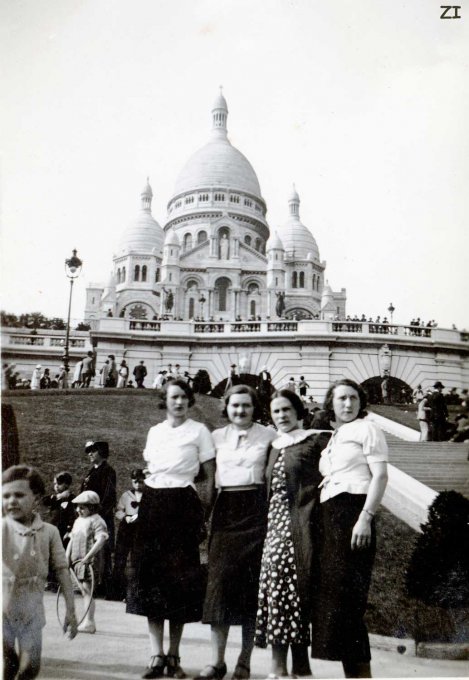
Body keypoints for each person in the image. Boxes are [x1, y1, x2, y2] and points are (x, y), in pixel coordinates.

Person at [128, 379, 216, 679]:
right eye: (172, 397)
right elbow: (152, 469)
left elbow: (209, 478)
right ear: (164, 401)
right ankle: (156, 655)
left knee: (178, 582)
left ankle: (174, 656)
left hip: (183, 504)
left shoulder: (200, 432)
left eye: (183, 397)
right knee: (152, 578)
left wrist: (201, 514)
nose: (178, 402)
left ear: (189, 401)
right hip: (153, 504)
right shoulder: (155, 432)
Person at [197, 385, 277, 680]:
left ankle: (244, 661)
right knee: (219, 587)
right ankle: (217, 661)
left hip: (256, 510)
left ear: (255, 408)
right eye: (235, 406)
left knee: (250, 589)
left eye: (246, 405)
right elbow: (203, 477)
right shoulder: (215, 437)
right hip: (226, 509)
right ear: (226, 408)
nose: (240, 411)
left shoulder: (269, 435)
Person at [311, 379, 389, 678]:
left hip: (353, 516)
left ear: (361, 401)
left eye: (353, 398)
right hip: (331, 519)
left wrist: (365, 518)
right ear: (331, 402)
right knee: (338, 604)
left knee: (349, 604)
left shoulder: (368, 429)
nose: (348, 404)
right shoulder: (337, 435)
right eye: (341, 398)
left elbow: (380, 476)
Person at [255, 390, 332, 678]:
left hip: (302, 526)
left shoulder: (315, 441)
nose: (281, 416)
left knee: (293, 594)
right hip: (274, 529)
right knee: (278, 594)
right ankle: (280, 668)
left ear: (299, 412)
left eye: (286, 409)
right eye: (276, 411)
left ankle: (298, 667)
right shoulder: (274, 446)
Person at [3, 465, 77, 679]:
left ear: (36, 497)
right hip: (2, 610)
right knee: (6, 666)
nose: (11, 501)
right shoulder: (2, 529)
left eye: (19, 495)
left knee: (31, 667)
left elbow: (63, 571)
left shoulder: (49, 532)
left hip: (32, 610)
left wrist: (70, 611)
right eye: (5, 496)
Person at [66, 490, 109, 633]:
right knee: (83, 591)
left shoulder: (97, 521)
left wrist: (88, 557)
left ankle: (89, 622)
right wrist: (66, 557)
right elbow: (72, 540)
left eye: (82, 507)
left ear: (92, 507)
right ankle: (88, 621)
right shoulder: (78, 521)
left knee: (87, 591)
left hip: (89, 562)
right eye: (77, 507)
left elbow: (101, 540)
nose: (78, 510)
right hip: (77, 561)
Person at [80, 441, 117, 595]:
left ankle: (104, 586)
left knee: (103, 550)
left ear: (101, 452)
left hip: (101, 518)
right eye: (88, 452)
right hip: (89, 517)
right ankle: (89, 583)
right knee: (89, 548)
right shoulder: (91, 472)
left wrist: (98, 514)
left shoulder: (108, 471)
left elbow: (109, 496)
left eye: (93, 451)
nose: (90, 454)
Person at [111, 468, 145, 601]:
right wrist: (125, 517)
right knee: (120, 558)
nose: (138, 484)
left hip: (140, 528)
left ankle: (133, 593)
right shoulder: (126, 495)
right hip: (126, 528)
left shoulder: (149, 495)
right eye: (135, 481)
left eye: (140, 481)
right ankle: (116, 592)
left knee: (137, 560)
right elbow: (118, 510)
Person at [42, 471, 75, 546]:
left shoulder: (71, 498)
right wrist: (58, 496)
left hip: (63, 529)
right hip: (53, 527)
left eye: (59, 484)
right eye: (55, 484)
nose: (56, 486)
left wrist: (69, 530)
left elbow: (72, 516)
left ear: (66, 484)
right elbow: (44, 501)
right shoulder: (56, 497)